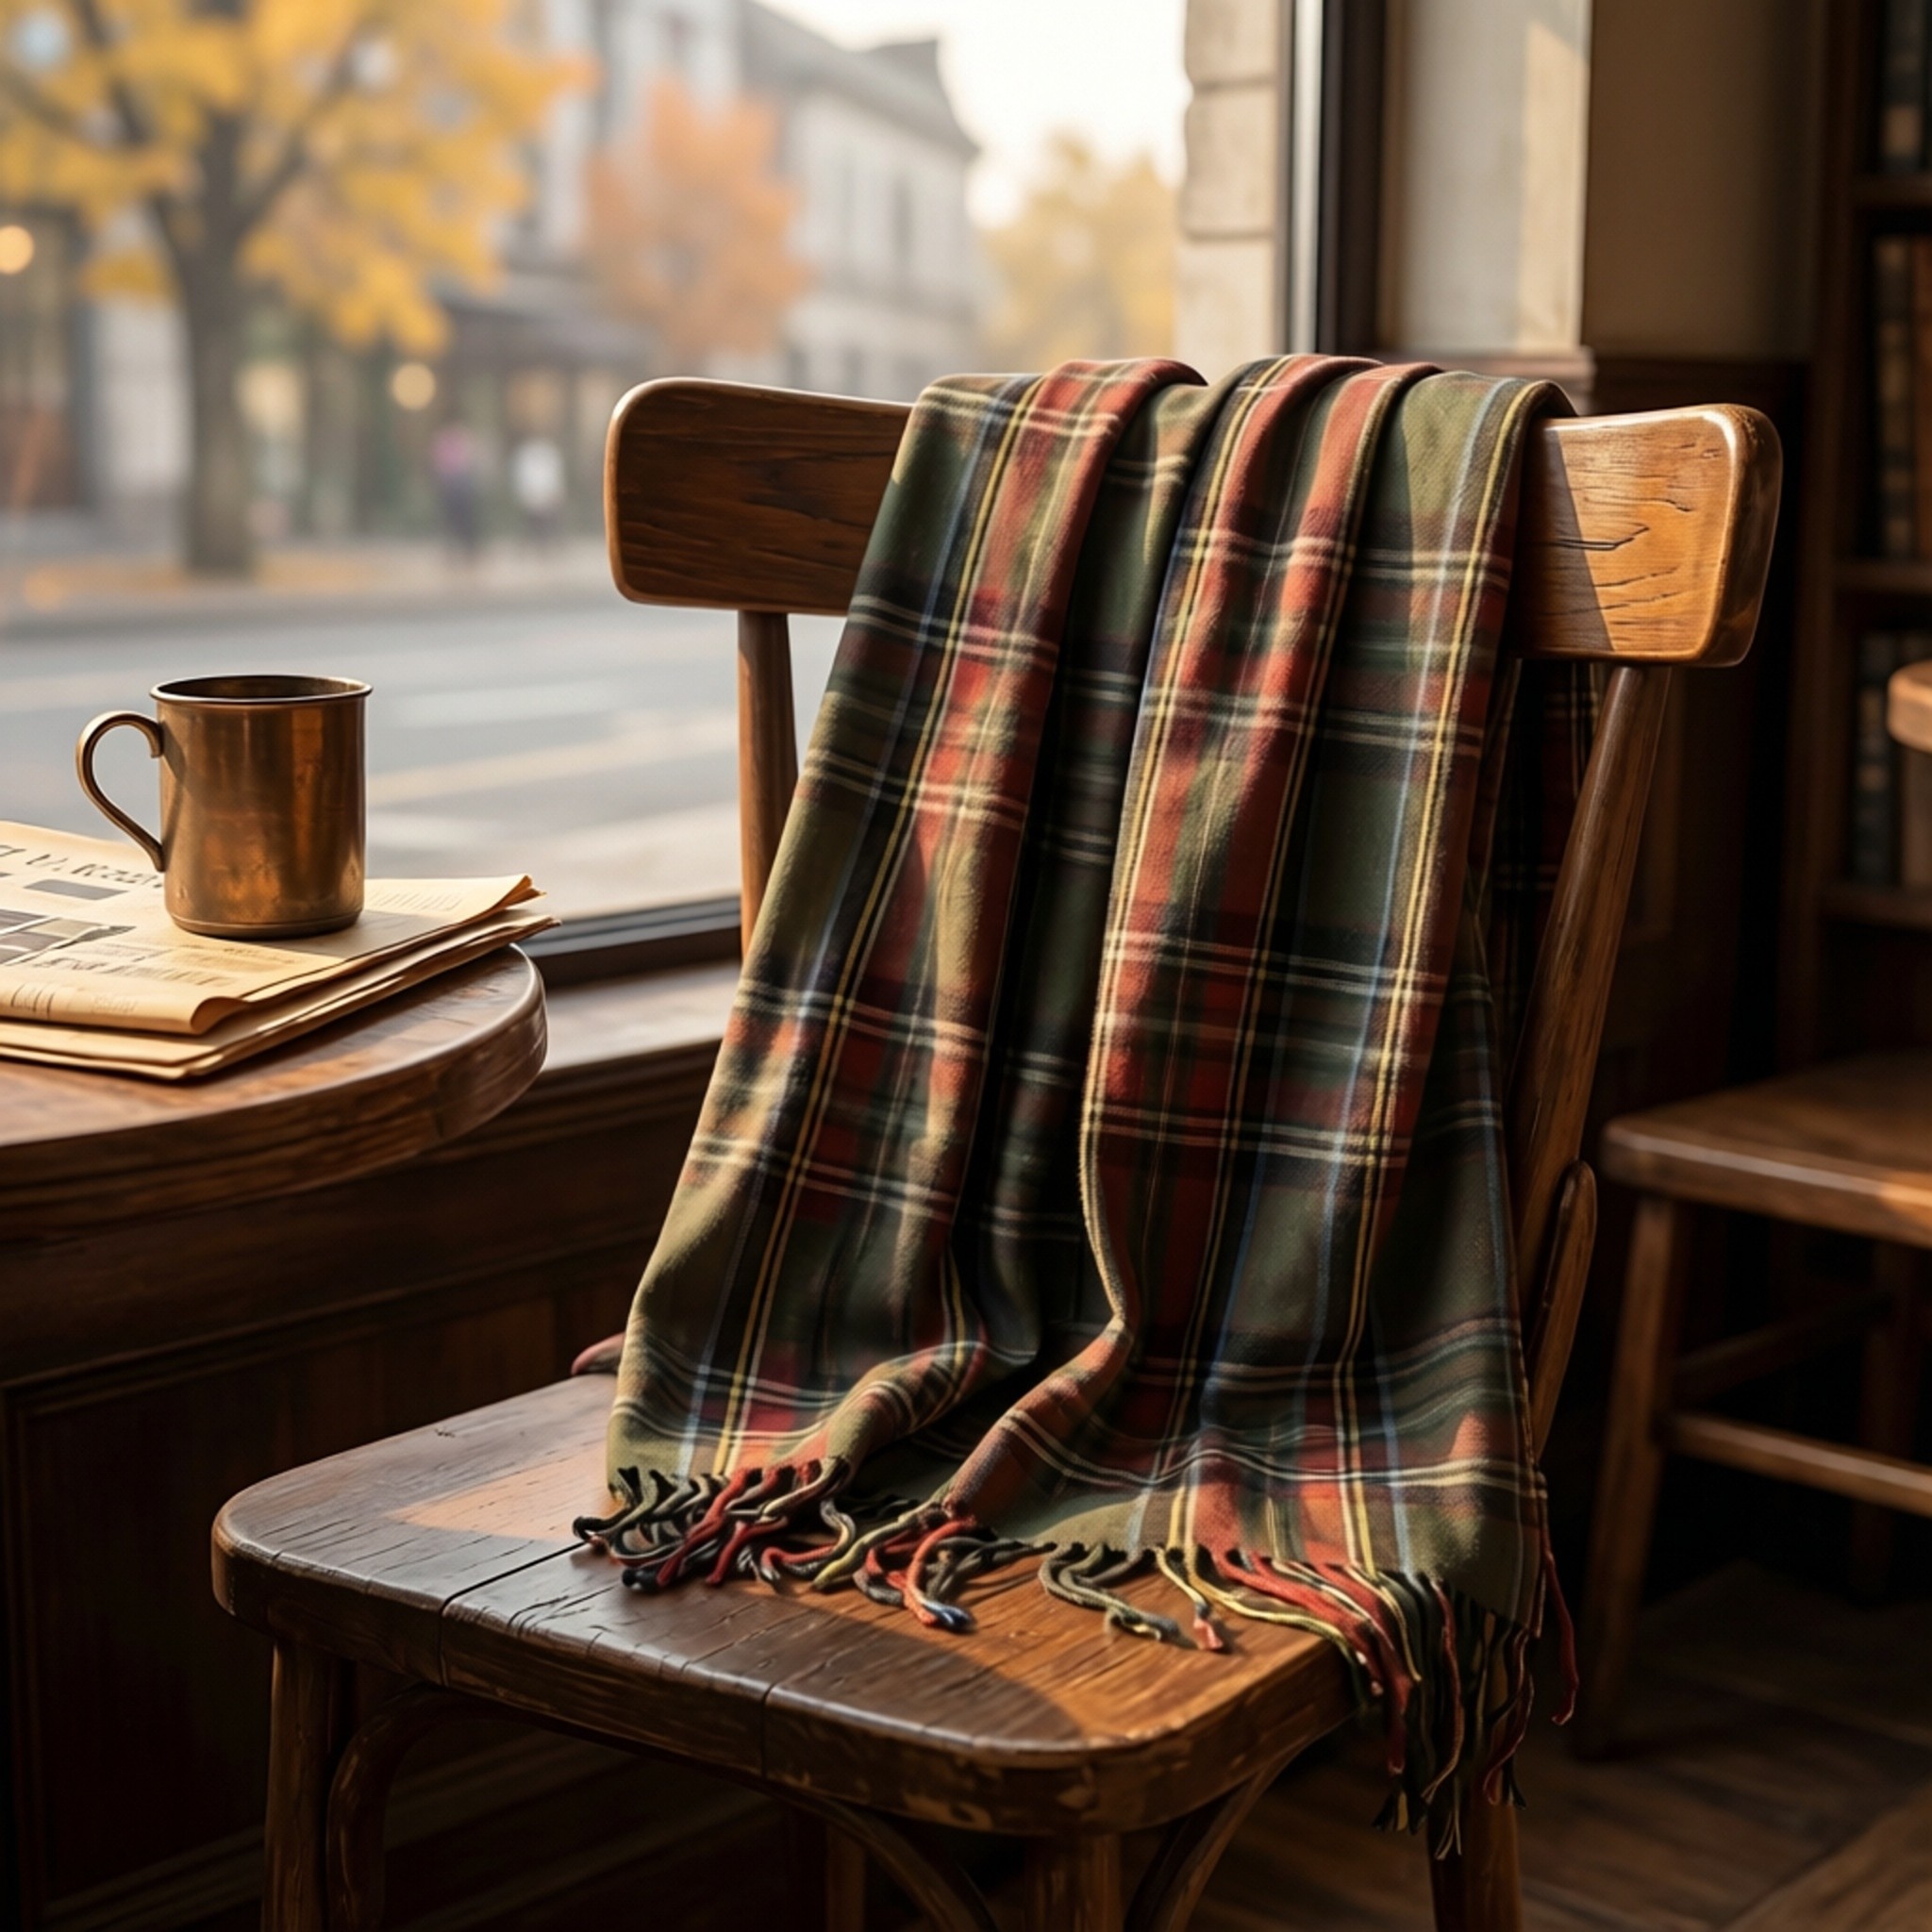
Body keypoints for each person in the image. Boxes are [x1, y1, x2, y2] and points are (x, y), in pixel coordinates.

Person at [429, 420, 481, 558]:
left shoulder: (459, 439)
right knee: (452, 519)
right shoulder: (447, 440)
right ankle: (457, 549)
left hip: (459, 483)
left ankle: (467, 548)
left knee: (463, 519)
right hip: (452, 484)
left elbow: (468, 461)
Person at [510, 434, 565, 548]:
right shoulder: (526, 454)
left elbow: (554, 476)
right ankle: (532, 542)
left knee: (551, 517)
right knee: (532, 519)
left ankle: (551, 542)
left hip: (547, 494)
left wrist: (552, 493)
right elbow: (522, 477)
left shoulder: (550, 453)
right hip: (531, 494)